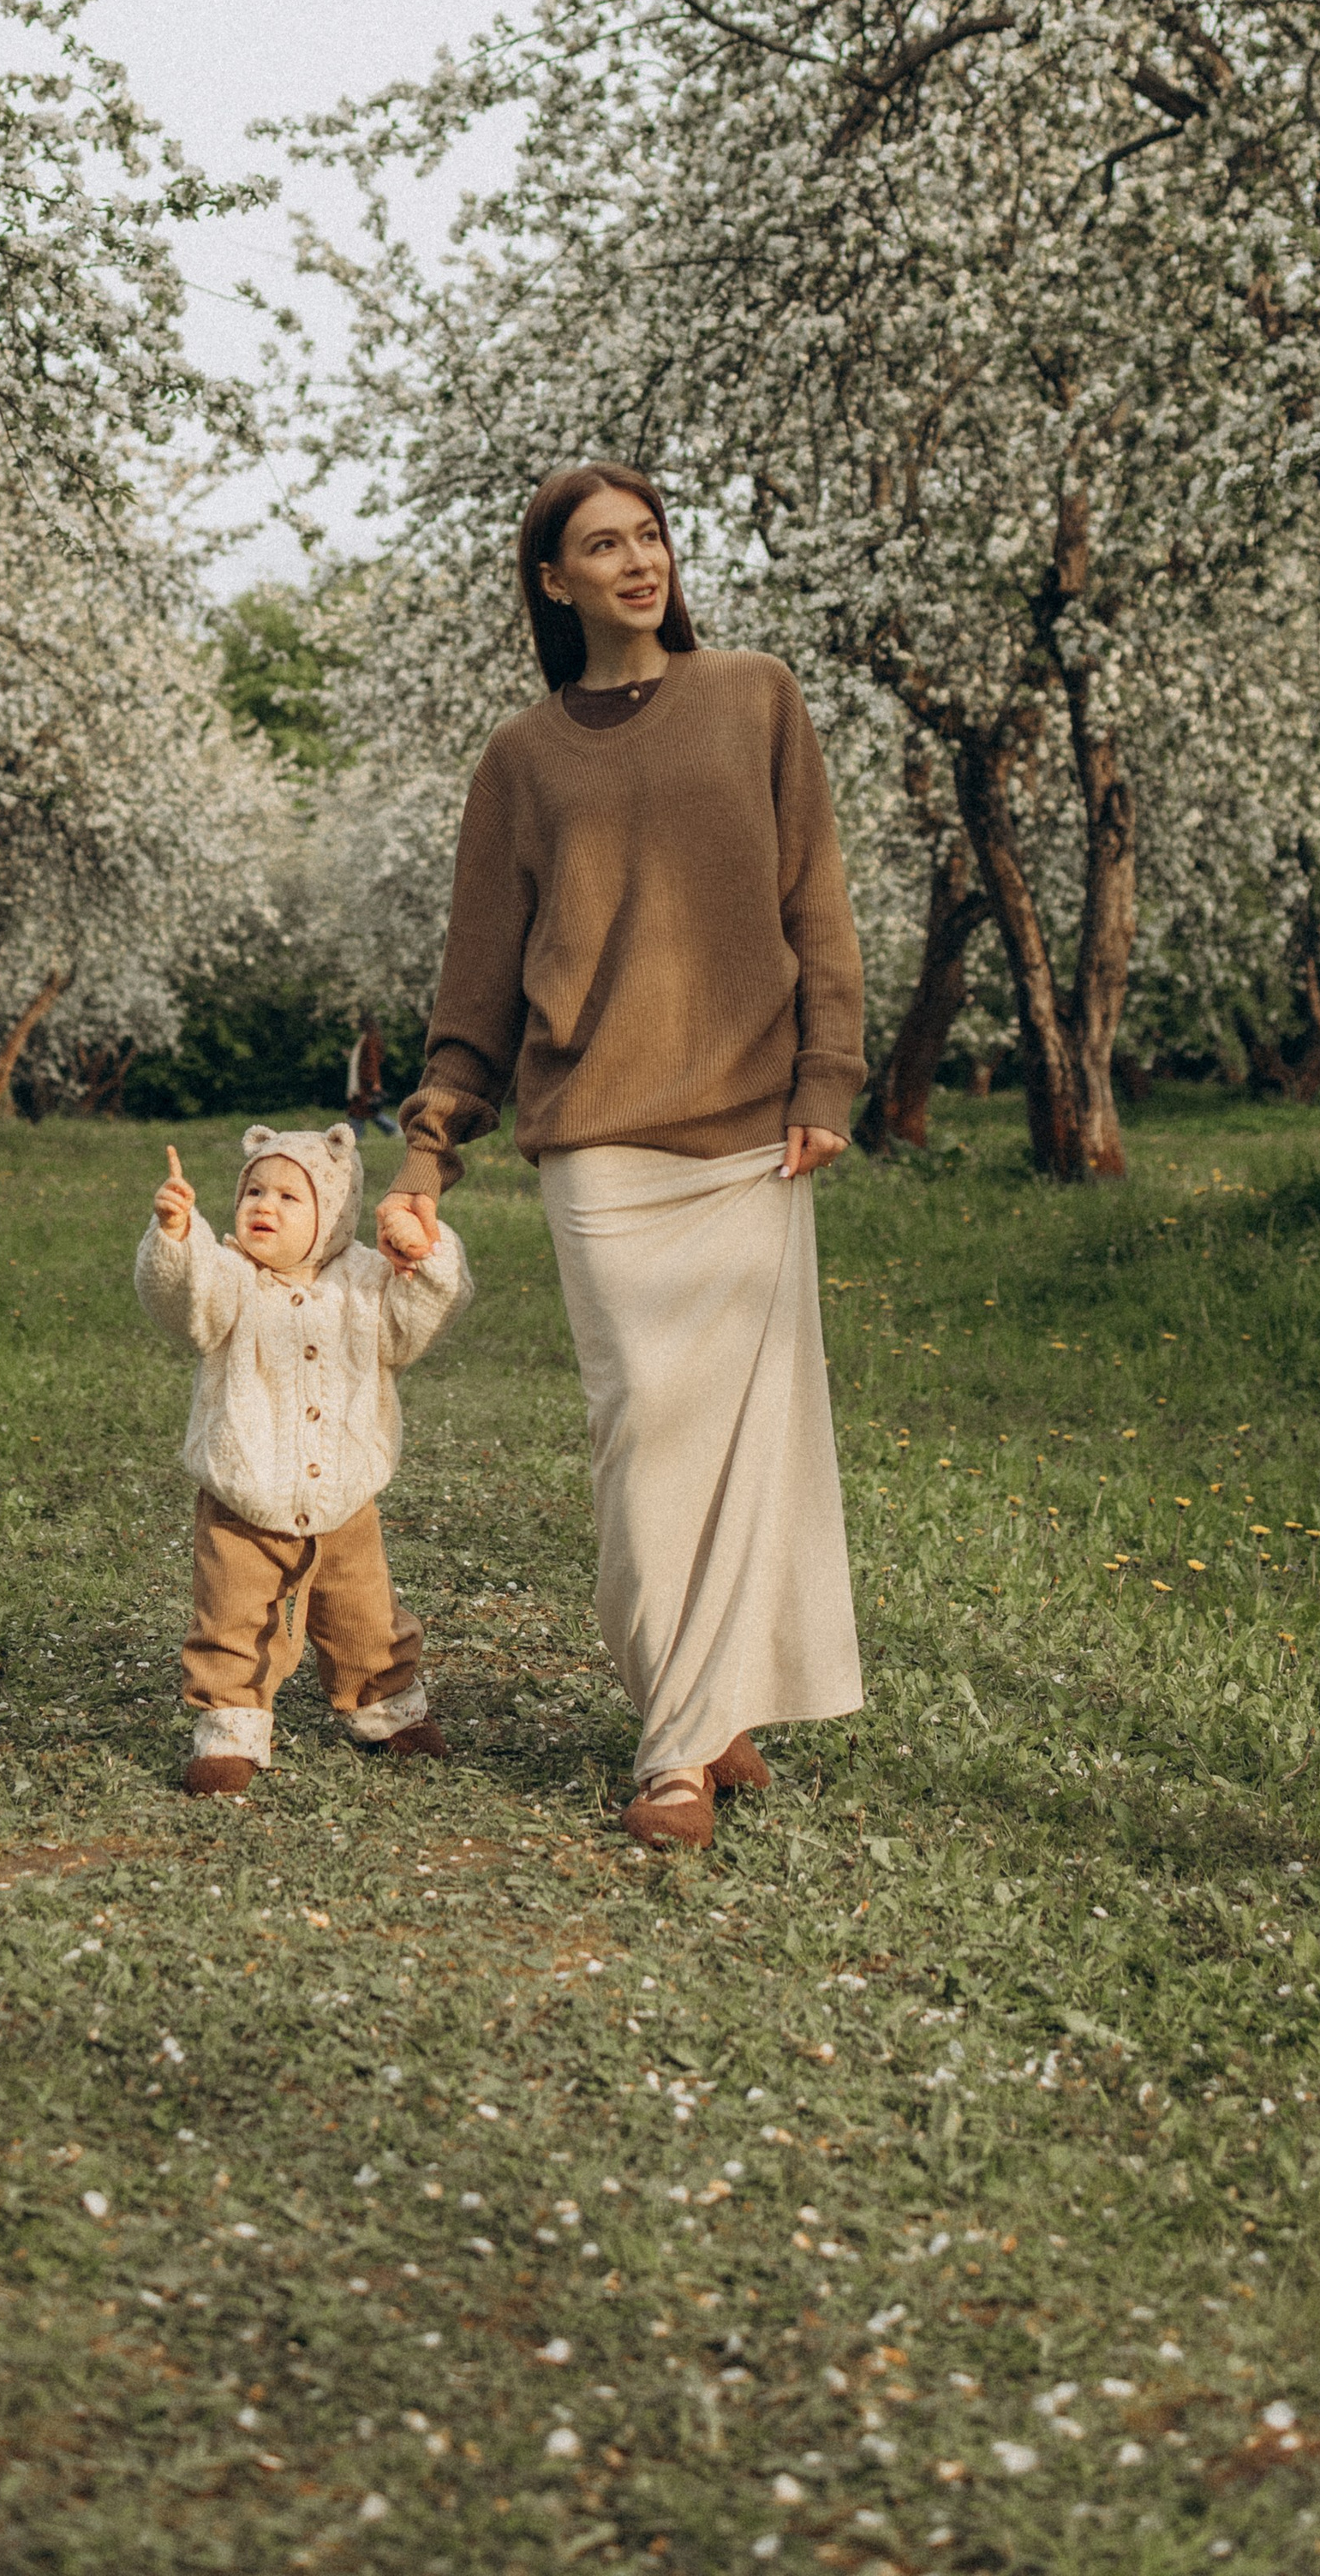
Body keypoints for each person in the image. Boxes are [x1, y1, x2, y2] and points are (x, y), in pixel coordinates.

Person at [377, 464, 866, 1851]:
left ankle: (691, 1739)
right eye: (603, 545)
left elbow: (814, 901)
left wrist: (828, 1072)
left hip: (750, 1134)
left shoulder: (757, 697)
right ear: (554, 581)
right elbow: (476, 983)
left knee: (745, 1446)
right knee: (645, 1431)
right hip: (597, 1143)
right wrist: (430, 1148)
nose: (637, 560)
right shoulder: (523, 759)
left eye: (649, 536)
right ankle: (687, 1726)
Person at [137, 1122, 472, 1795]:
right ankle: (231, 1729)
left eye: (291, 1197)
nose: (265, 1206)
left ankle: (386, 1708)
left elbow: (427, 1311)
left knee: (364, 1616)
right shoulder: (230, 1277)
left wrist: (423, 1254)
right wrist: (177, 1239)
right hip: (243, 1497)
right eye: (254, 1191)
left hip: (345, 1495)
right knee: (232, 1620)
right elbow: (185, 1300)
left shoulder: (367, 1285)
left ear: (336, 1212)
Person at [345, 1012, 398, 1137]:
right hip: (363, 1081)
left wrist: (375, 1082)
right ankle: (357, 1135)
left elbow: (373, 1062)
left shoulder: (370, 1040)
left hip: (366, 1081)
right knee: (363, 1110)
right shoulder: (365, 1038)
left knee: (365, 1110)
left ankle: (393, 1129)